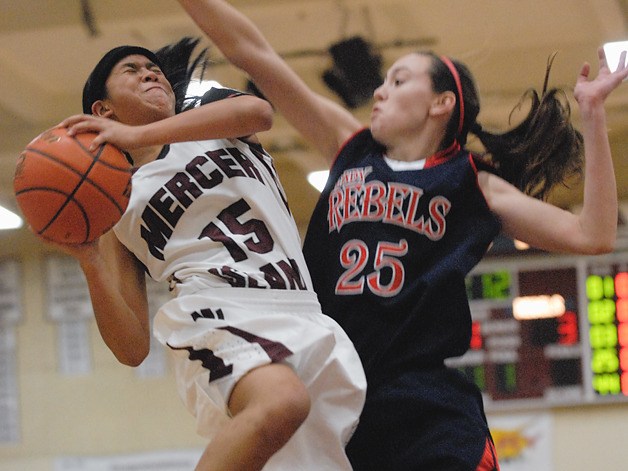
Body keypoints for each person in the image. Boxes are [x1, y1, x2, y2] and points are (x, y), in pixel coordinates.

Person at [176, 1, 628, 469]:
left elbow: (590, 235)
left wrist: (592, 114)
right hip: (335, 391)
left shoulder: (472, 182)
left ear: (441, 103)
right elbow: (254, 53)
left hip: (423, 403)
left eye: (398, 80)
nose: (379, 91)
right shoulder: (348, 147)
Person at [50, 36, 366, 471]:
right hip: (216, 314)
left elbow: (259, 112)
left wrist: (139, 133)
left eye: (154, 68)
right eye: (132, 70)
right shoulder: (114, 198)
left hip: (304, 312)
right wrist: (90, 262)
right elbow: (132, 347)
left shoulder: (206, 109)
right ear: (103, 111)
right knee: (281, 403)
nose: (151, 72)